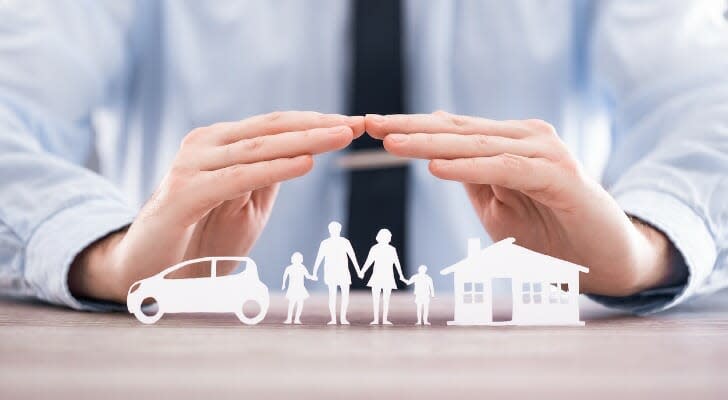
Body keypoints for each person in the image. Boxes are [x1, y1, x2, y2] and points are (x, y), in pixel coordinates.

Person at [0, 2, 727, 316]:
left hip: (516, 365)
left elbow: (705, 97)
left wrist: (646, 251)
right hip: (198, 359)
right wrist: (104, 259)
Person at [311, 222, 361, 325]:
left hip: (343, 271)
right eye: (333, 229)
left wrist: (358, 270)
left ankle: (343, 318)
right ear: (330, 230)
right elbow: (319, 258)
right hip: (331, 271)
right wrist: (314, 272)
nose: (334, 231)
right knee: (333, 295)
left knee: (344, 295)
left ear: (339, 230)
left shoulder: (344, 242)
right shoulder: (325, 243)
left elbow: (352, 257)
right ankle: (333, 318)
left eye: (336, 229)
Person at [359, 229, 406, 325]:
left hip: (387, 276)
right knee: (376, 299)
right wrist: (363, 271)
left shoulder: (391, 249)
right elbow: (369, 261)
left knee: (386, 299)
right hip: (377, 276)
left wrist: (401, 275)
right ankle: (376, 319)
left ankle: (384, 319)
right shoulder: (375, 248)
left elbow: (396, 263)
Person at [281, 252, 314, 325]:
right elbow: (285, 276)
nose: (297, 260)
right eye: (295, 259)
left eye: (298, 259)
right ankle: (289, 319)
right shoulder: (289, 268)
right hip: (292, 288)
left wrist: (312, 277)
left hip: (300, 288)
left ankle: (297, 319)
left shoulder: (302, 268)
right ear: (292, 259)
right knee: (292, 304)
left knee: (299, 303)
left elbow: (307, 276)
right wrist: (283, 284)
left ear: (301, 260)